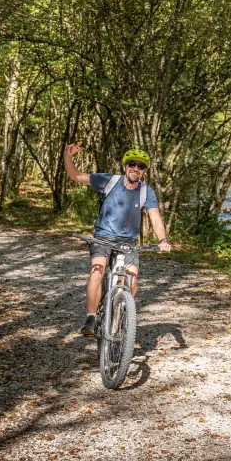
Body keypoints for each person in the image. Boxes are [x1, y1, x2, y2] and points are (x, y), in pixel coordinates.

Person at [64, 143, 172, 336]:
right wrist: (68, 155)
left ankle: (122, 314)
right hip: (103, 237)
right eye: (132, 164)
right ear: (125, 166)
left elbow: (155, 218)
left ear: (144, 171)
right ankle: (91, 318)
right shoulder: (109, 181)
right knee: (97, 270)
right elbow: (75, 176)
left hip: (127, 242)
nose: (136, 169)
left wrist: (163, 239)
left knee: (132, 279)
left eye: (141, 166)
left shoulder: (146, 192)